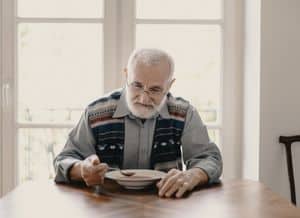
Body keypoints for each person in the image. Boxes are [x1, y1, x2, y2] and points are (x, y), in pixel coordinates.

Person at [53, 48, 222, 198]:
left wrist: (194, 174)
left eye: (155, 89)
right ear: (126, 75)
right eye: (137, 85)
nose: (143, 98)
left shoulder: (184, 113)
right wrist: (82, 170)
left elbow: (209, 158)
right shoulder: (96, 111)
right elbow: (64, 159)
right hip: (107, 204)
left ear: (169, 85)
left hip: (167, 204)